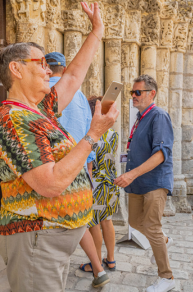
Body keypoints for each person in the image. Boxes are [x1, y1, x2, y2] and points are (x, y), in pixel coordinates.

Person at [0, 2, 119, 292]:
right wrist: (93, 134)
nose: (49, 70)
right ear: (16, 69)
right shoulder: (15, 120)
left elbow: (73, 77)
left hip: (51, 239)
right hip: (36, 239)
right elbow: (50, 185)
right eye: (41, 63)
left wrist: (96, 32)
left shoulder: (39, 110)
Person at [45, 53, 108, 280]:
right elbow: (86, 132)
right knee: (81, 220)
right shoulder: (80, 96)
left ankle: (54, 271)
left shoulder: (43, 92)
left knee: (51, 219)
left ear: (47, 68)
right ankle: (98, 268)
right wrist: (88, 170)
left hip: (52, 167)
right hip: (79, 166)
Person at [114, 74, 175, 292]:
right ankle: (163, 241)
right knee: (135, 222)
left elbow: (161, 154)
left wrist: (131, 175)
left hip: (154, 181)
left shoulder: (158, 115)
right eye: (132, 92)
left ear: (152, 94)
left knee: (151, 226)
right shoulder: (141, 116)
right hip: (138, 181)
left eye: (137, 92)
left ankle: (167, 278)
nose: (133, 96)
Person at [80, 96, 119, 273]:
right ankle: (110, 259)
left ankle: (95, 263)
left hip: (95, 183)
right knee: (107, 221)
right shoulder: (113, 135)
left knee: (93, 223)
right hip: (110, 183)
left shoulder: (90, 134)